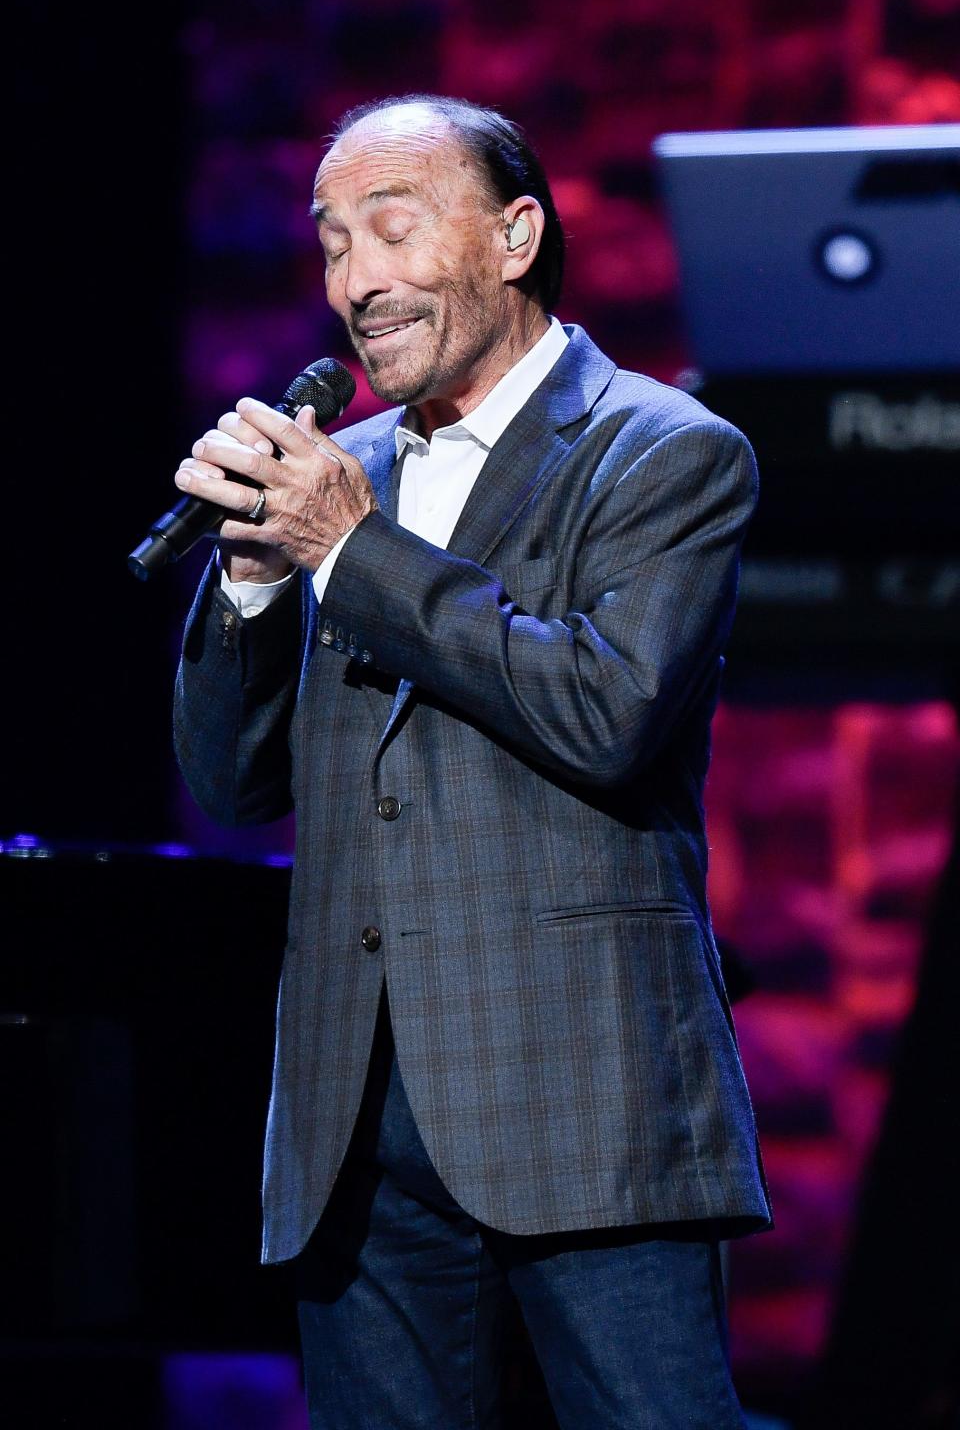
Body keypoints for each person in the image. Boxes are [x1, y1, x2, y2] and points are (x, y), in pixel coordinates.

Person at [173, 94, 772, 1429]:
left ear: (515, 236)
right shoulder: (347, 467)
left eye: (392, 229)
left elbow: (604, 711)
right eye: (331, 246)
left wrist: (351, 552)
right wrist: (257, 589)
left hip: (583, 1098)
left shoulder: (663, 452)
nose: (355, 281)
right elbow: (232, 784)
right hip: (354, 1123)